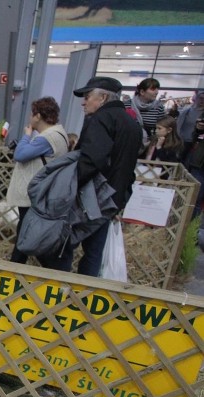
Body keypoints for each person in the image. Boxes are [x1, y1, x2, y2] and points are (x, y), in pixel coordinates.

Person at [47, 76, 141, 277]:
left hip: (91, 198)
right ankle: (84, 295)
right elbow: (129, 167)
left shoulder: (100, 119)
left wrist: (69, 184)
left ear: (103, 98)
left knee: (63, 245)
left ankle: (58, 290)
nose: (84, 101)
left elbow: (92, 159)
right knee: (94, 252)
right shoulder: (132, 124)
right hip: (112, 199)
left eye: (88, 96)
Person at [5, 96, 68, 264]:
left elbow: (20, 154)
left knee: (27, 234)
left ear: (38, 116)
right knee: (25, 232)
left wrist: (27, 135)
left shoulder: (47, 138)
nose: (30, 118)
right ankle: (16, 265)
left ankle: (17, 268)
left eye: (32, 114)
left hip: (34, 193)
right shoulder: (59, 134)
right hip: (44, 192)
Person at [177, 90, 204, 165]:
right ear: (197, 98)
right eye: (201, 98)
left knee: (189, 163)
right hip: (183, 141)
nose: (202, 100)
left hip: (197, 144)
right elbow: (178, 125)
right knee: (179, 161)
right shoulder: (187, 110)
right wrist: (178, 138)